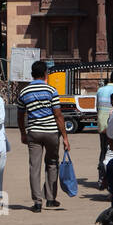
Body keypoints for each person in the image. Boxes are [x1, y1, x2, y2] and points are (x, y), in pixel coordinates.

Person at [17, 60, 70, 212]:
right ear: (45, 73)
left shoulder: (24, 92)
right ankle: (51, 199)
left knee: (34, 167)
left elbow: (20, 116)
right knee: (52, 163)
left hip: (34, 132)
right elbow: (58, 115)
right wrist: (65, 137)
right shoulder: (51, 90)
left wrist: (22, 133)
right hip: (51, 132)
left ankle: (37, 202)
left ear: (32, 74)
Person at [96, 68, 113, 188]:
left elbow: (97, 108)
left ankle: (101, 178)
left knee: (103, 150)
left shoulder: (100, 90)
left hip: (102, 126)